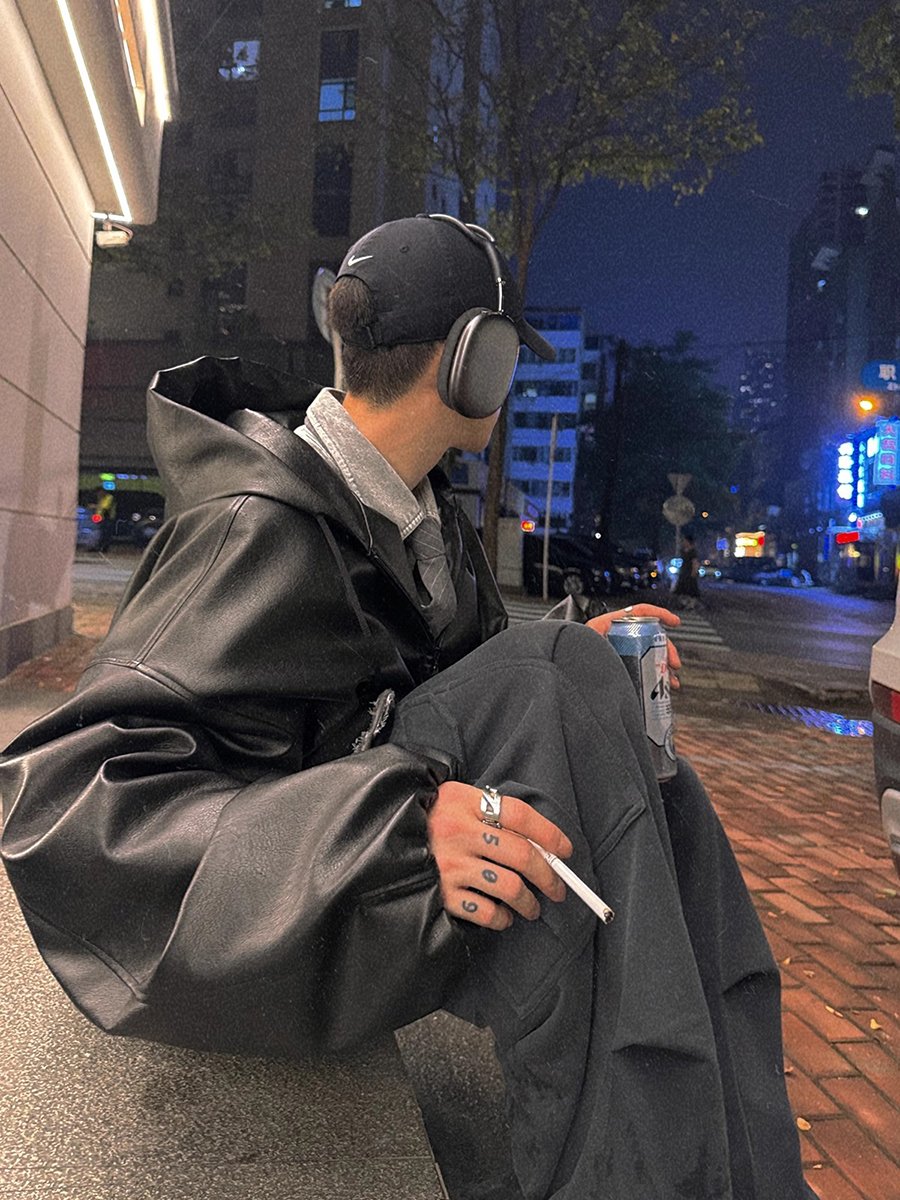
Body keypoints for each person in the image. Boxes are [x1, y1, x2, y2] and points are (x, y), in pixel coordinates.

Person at [1, 214, 814, 1200]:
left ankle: (732, 1167)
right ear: (477, 360)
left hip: (362, 866)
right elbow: (70, 804)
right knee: (556, 678)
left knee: (599, 706)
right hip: (301, 903)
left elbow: (429, 693)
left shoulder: (421, 515)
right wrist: (393, 833)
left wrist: (576, 655)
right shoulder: (254, 526)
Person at [672, 529, 701, 610]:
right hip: (684, 572)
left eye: (685, 541)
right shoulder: (683, 551)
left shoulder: (693, 552)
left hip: (689, 572)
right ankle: (685, 604)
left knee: (690, 590)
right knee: (682, 590)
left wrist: (694, 572)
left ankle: (690, 605)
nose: (683, 542)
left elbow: (695, 562)